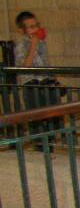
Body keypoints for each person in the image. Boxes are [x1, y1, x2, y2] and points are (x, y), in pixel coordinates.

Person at [14, 11, 61, 147]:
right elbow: (25, 67)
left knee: (52, 119)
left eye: (37, 25)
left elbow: (46, 63)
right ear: (22, 30)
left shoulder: (42, 42)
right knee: (37, 121)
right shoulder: (21, 45)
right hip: (32, 85)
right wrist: (33, 45)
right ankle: (40, 147)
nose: (35, 29)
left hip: (46, 83)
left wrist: (55, 80)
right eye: (31, 27)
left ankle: (50, 146)